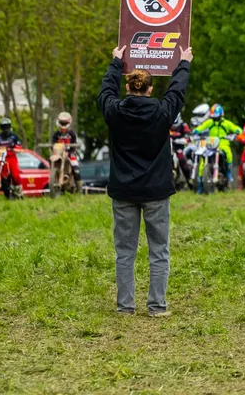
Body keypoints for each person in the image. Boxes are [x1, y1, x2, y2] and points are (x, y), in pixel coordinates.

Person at [98, 45, 191, 316]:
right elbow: (177, 90)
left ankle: (125, 306)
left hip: (123, 191)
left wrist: (116, 62)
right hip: (156, 191)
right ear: (150, 90)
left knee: (124, 252)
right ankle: (157, 306)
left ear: (128, 88)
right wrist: (183, 62)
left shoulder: (114, 112)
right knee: (159, 251)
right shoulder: (163, 113)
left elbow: (105, 92)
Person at [194, 104, 242, 187]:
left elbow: (236, 128)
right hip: (210, 143)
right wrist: (196, 131)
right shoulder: (209, 122)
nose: (214, 118)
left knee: (228, 154)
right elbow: (201, 127)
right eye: (213, 116)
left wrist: (237, 131)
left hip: (223, 142)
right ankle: (200, 183)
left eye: (216, 116)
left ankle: (228, 172)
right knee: (203, 160)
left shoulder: (226, 123)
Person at [50, 111, 83, 192]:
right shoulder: (56, 134)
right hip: (59, 154)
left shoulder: (72, 134)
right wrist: (53, 148)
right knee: (51, 162)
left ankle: (79, 189)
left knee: (76, 170)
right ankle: (56, 180)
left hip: (70, 154)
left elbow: (74, 144)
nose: (63, 125)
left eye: (65, 123)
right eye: (62, 123)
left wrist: (71, 151)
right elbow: (53, 144)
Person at [0, 118, 23, 200]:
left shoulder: (14, 136)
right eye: (4, 127)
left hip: (11, 157)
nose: (5, 129)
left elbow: (19, 146)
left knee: (15, 175)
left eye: (7, 127)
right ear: (1, 128)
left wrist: (16, 148)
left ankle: (19, 193)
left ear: (10, 127)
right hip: (1, 157)